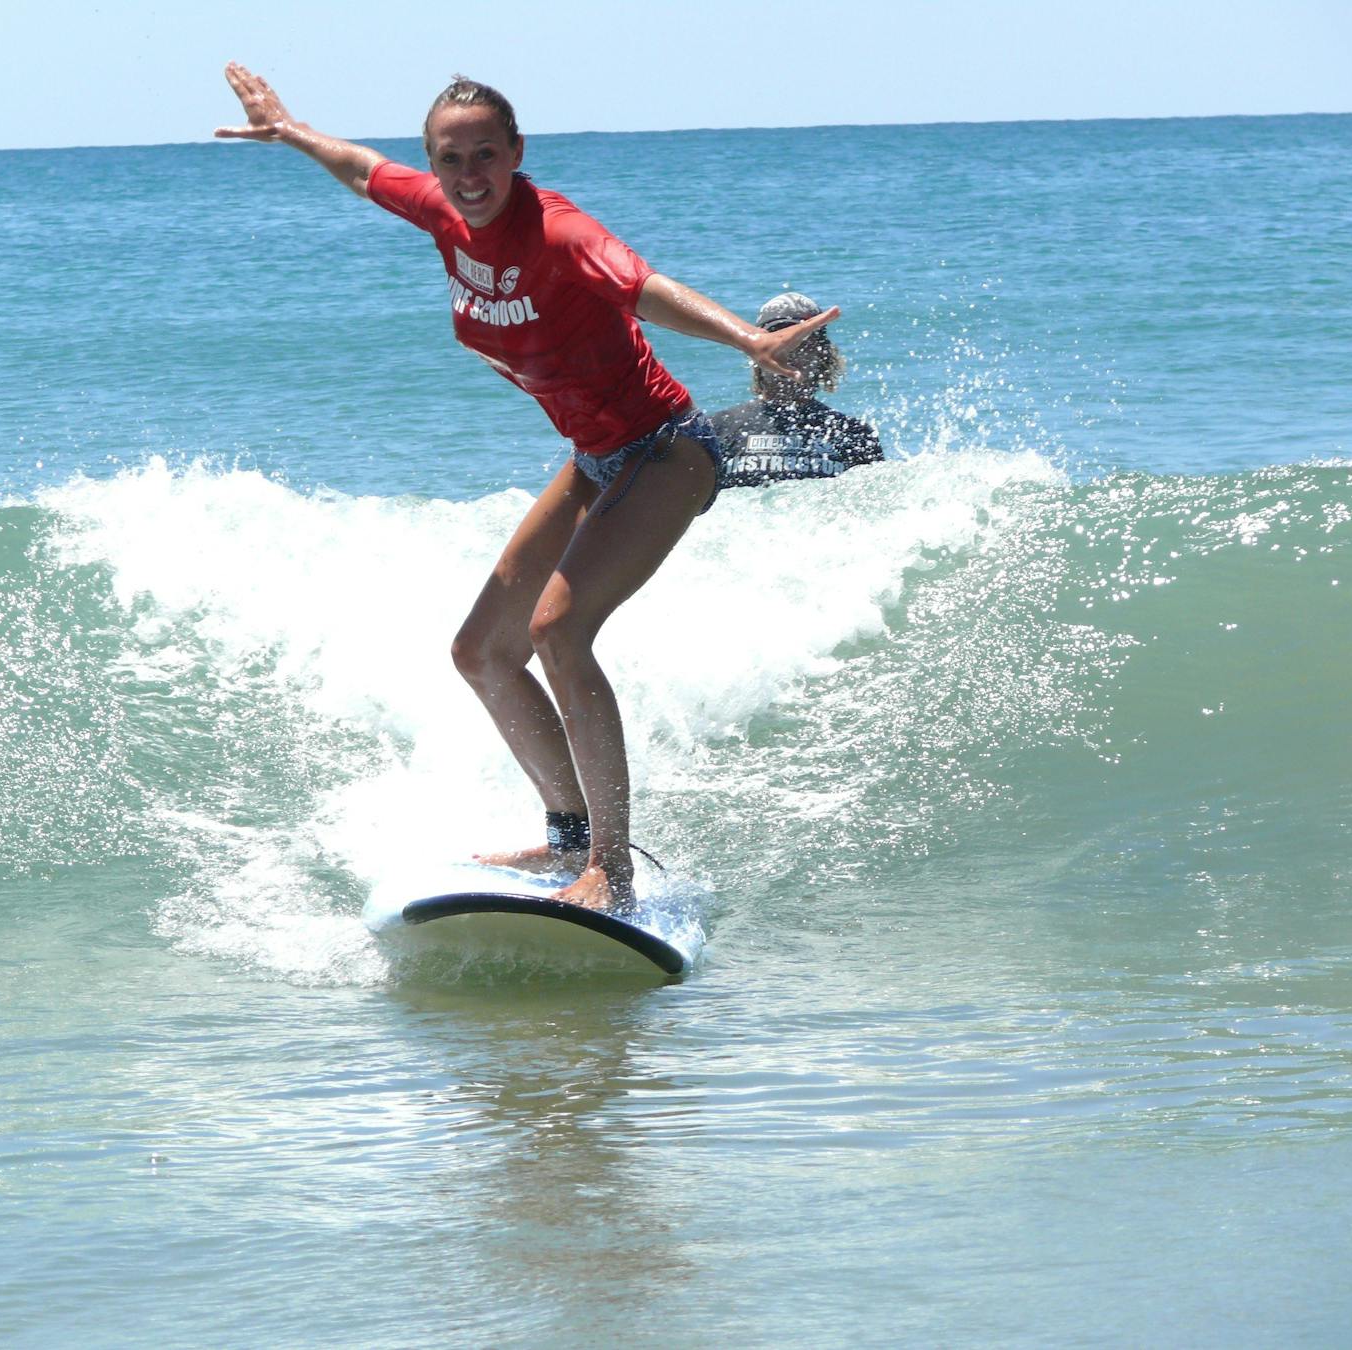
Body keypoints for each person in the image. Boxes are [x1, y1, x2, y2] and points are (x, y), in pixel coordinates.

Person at [217, 65, 838, 910]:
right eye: (450, 158)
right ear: (434, 164)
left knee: (557, 629)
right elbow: (365, 170)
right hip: (594, 458)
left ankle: (611, 869)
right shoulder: (441, 211)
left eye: (485, 154)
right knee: (482, 651)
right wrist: (290, 130)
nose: (469, 175)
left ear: (516, 152)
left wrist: (747, 341)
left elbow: (642, 287)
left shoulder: (558, 231)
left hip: (666, 451)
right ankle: (570, 839)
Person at [711, 292, 884, 490]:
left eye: (802, 341)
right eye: (778, 339)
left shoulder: (853, 434)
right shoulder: (716, 430)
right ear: (757, 351)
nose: (788, 351)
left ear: (822, 353)